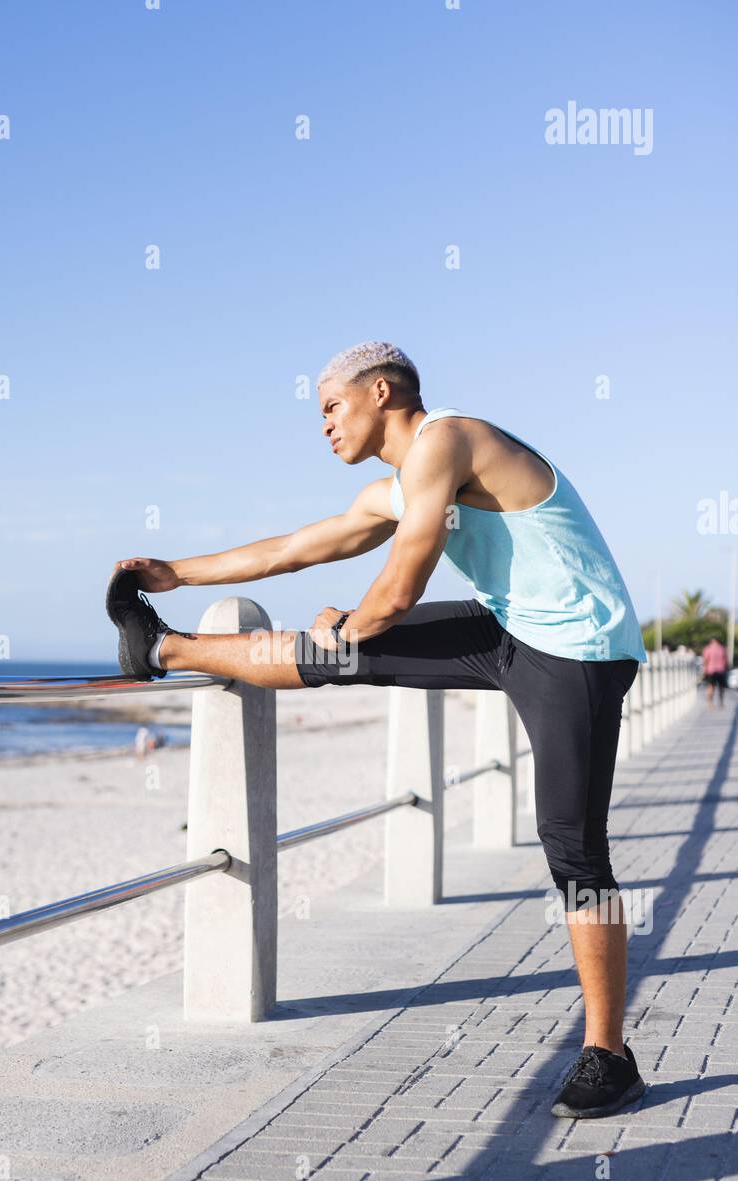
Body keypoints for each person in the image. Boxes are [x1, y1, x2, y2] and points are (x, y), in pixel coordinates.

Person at [106, 341, 649, 1120]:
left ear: (381, 391)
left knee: (570, 843)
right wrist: (176, 573)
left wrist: (352, 620)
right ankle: (160, 645)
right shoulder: (397, 483)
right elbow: (292, 549)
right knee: (334, 658)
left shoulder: (448, 440)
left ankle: (609, 1054)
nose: (323, 425)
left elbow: (403, 579)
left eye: (330, 407)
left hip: (578, 650)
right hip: (506, 627)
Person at [701, 636, 729, 708]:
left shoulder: (708, 648)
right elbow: (726, 661)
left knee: (710, 687)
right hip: (721, 671)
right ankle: (721, 703)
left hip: (711, 671)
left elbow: (705, 661)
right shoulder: (722, 648)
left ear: (711, 641)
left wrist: (704, 670)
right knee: (721, 687)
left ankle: (710, 703)